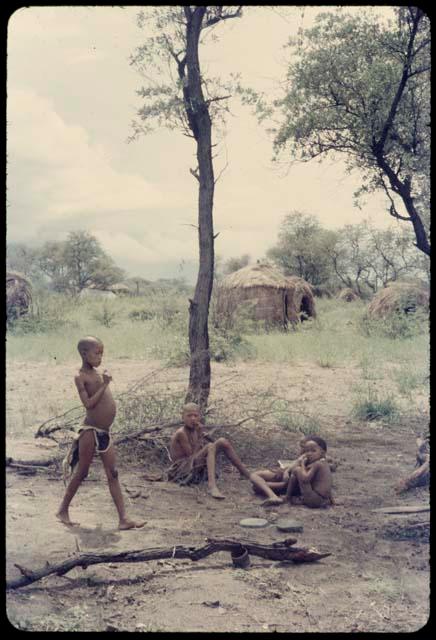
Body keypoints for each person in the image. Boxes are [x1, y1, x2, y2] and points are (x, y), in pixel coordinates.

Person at [56, 336, 146, 530]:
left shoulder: (97, 373)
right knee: (82, 471)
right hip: (89, 431)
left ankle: (123, 519)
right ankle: (62, 510)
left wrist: (104, 382)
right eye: (97, 353)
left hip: (104, 432)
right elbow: (88, 404)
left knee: (113, 473)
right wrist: (105, 384)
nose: (100, 357)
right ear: (84, 353)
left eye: (102, 353)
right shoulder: (80, 377)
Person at [168, 403, 251, 499]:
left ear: (200, 417)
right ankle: (212, 487)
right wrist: (200, 437)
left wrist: (205, 435)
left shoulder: (195, 429)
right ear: (182, 417)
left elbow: (209, 446)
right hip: (182, 469)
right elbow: (191, 457)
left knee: (222, 441)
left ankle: (245, 473)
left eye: (196, 416)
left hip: (192, 464)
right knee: (210, 446)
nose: (193, 419)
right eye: (189, 416)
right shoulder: (181, 433)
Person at [249, 435, 314, 506]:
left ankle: (273, 496)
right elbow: (293, 465)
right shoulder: (303, 456)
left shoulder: (310, 459)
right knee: (254, 475)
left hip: (288, 484)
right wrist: (286, 471)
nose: (301, 449)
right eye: (300, 446)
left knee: (257, 487)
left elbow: (298, 476)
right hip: (284, 475)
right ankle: (272, 495)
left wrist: (287, 474)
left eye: (303, 447)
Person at [286, 435, 333, 508]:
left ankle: (288, 497)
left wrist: (302, 464)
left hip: (314, 500)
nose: (309, 453)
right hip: (324, 500)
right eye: (307, 451)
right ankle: (296, 497)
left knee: (297, 470)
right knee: (297, 472)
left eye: (313, 451)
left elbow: (305, 478)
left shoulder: (317, 464)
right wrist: (331, 499)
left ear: (322, 453)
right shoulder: (324, 464)